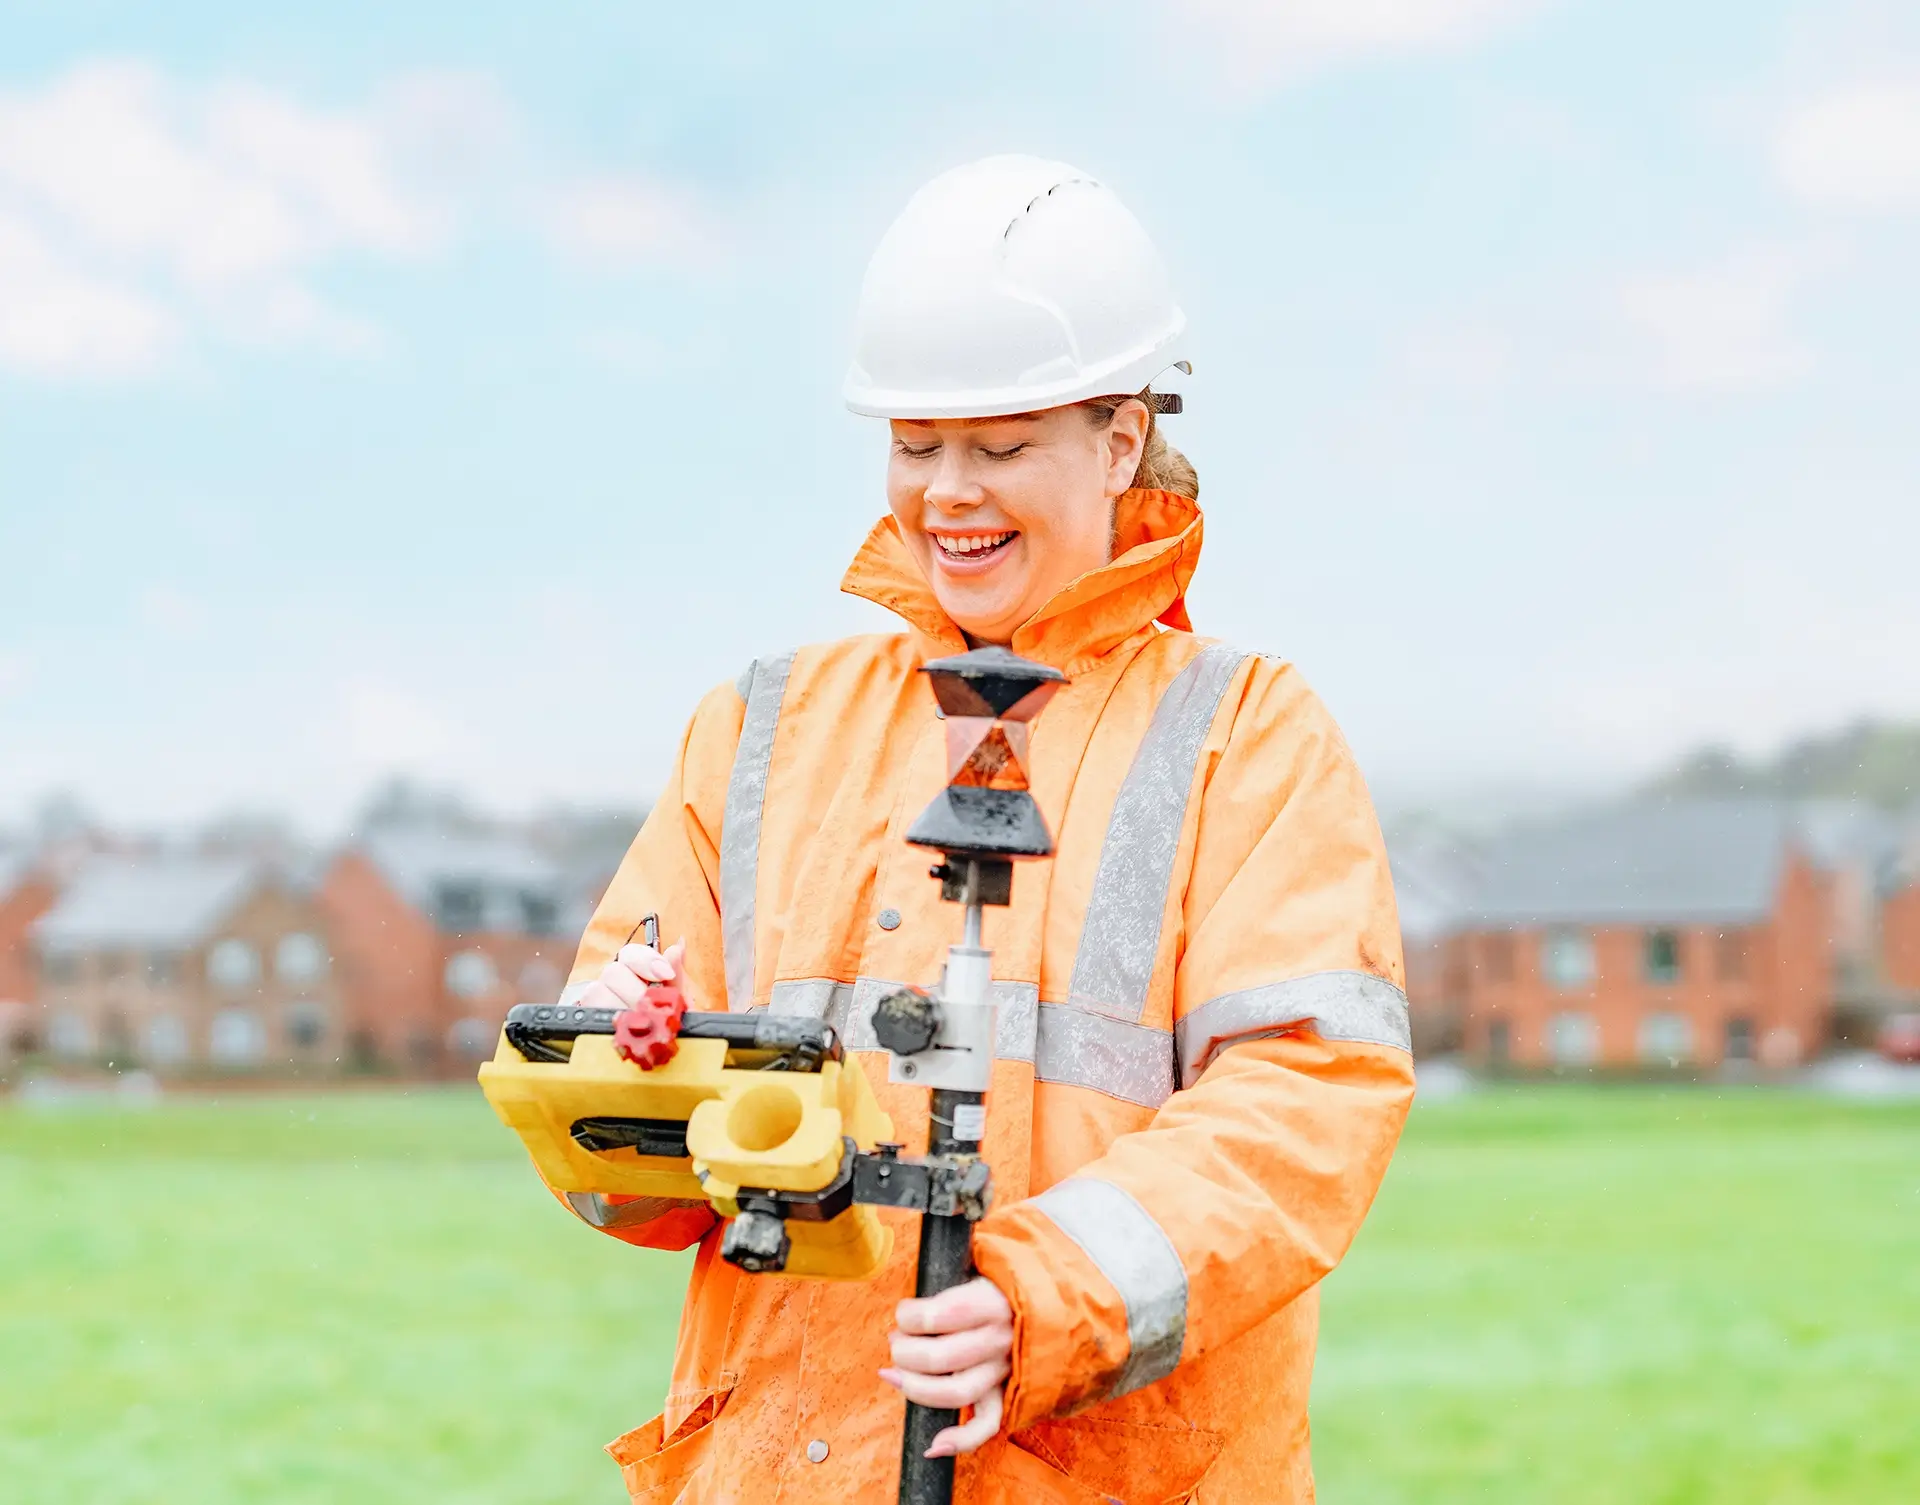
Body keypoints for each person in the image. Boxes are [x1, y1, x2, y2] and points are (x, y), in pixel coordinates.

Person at [542, 155, 1413, 1504]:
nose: (947, 492)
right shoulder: (766, 722)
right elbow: (628, 1182)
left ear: (1121, 439)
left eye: (1001, 447)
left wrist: (1043, 1300)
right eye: (914, 445)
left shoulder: (1246, 732)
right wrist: (632, 1057)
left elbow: (1307, 1106)